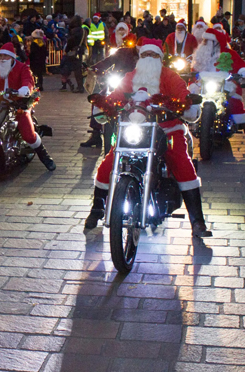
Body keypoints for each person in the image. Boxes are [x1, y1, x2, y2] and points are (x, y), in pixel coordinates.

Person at [85, 38, 209, 236]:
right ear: (140, 57)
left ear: (160, 58)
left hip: (167, 129)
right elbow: (116, 97)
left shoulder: (170, 77)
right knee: (108, 163)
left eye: (153, 55)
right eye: (145, 55)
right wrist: (105, 106)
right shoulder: (130, 77)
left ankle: (198, 221)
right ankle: (97, 208)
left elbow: (182, 97)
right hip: (134, 130)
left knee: (182, 163)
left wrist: (182, 105)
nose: (149, 59)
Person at [0, 43, 56, 171]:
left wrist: (24, 90)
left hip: (19, 102)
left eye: (6, 56)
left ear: (12, 58)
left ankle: (44, 155)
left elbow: (28, 81)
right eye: (0, 56)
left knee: (28, 133)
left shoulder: (22, 67)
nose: (2, 59)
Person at [191, 29, 245, 149]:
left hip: (225, 85)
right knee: (190, 104)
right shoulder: (200, 55)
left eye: (209, 41)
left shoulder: (229, 54)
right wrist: (191, 78)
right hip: (203, 86)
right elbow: (194, 70)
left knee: (235, 105)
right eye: (204, 40)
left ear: (217, 42)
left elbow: (241, 65)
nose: (205, 43)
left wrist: (243, 73)